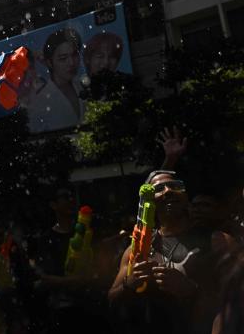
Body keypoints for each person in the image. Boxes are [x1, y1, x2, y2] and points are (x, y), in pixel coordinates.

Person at [108, 170, 234, 334]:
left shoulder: (218, 241)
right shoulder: (137, 248)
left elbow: (237, 299)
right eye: (159, 188)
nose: (168, 191)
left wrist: (193, 291)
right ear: (148, 201)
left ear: (186, 196)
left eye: (175, 186)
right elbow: (111, 299)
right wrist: (129, 283)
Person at [30, 188, 111, 334]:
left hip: (92, 308)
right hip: (64, 312)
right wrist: (79, 280)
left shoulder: (87, 232)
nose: (71, 200)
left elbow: (100, 266)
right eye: (65, 197)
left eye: (72, 196)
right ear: (53, 205)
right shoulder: (47, 240)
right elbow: (45, 279)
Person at [27, 28, 85, 132]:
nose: (71, 63)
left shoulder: (84, 86)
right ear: (49, 63)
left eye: (74, 55)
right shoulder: (40, 101)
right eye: (63, 58)